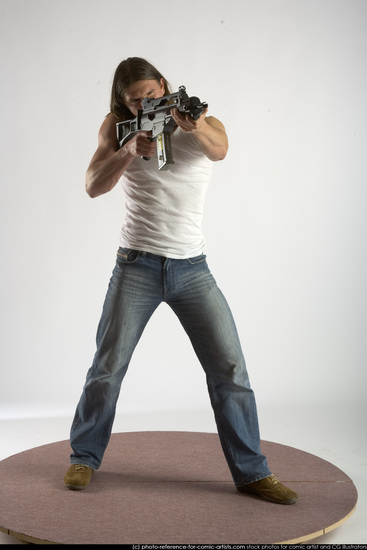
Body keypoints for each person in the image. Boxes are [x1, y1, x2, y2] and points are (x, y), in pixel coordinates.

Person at [64, 57, 298, 505]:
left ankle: (252, 472)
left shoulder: (199, 120)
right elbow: (93, 185)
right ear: (122, 103)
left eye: (152, 95)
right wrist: (128, 149)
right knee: (107, 368)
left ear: (164, 87)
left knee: (231, 370)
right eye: (136, 101)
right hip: (136, 265)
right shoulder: (115, 127)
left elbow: (220, 149)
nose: (146, 103)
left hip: (192, 268)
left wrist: (191, 125)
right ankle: (83, 458)